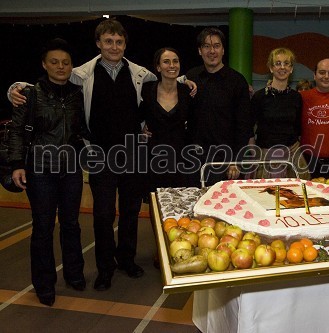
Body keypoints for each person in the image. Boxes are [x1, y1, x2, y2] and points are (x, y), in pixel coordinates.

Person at [8, 19, 197, 291]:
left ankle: (127, 260)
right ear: (98, 43)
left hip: (133, 153)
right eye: (108, 41)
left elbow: (167, 78)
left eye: (119, 42)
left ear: (125, 44)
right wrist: (12, 88)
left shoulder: (139, 73)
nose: (114, 46)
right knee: (103, 214)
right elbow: (43, 84)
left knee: (131, 212)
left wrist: (185, 80)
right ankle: (105, 268)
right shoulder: (81, 73)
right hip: (99, 156)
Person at [8, 38, 86, 306]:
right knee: (42, 228)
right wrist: (17, 164)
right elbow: (16, 131)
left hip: (71, 169)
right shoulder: (30, 94)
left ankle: (75, 274)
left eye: (65, 62)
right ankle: (44, 284)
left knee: (72, 225)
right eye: (54, 62)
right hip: (40, 171)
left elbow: (85, 128)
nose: (60, 66)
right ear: (44, 64)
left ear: (72, 66)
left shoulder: (78, 94)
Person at [185, 27, 254, 186]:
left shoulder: (237, 81)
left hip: (226, 162)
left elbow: (244, 126)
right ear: (200, 51)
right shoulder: (191, 77)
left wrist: (236, 161)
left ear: (223, 50)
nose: (212, 51)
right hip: (193, 159)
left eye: (216, 46)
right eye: (206, 46)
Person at [250, 47, 308, 179]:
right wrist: (255, 155)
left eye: (286, 63)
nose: (282, 67)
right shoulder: (259, 97)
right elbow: (249, 128)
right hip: (266, 154)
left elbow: (298, 128)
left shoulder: (296, 97)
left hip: (292, 153)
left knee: (297, 195)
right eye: (278, 63)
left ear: (291, 68)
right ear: (271, 68)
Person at [140, 47, 193, 191]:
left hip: (182, 161)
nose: (172, 65)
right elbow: (134, 115)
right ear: (158, 67)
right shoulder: (146, 90)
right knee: (155, 206)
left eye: (175, 61)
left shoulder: (188, 92)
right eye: (166, 62)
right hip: (153, 160)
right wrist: (141, 129)